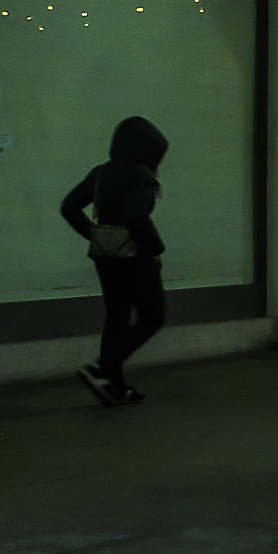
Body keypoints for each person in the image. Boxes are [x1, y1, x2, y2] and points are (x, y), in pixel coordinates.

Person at [59, 116, 169, 406]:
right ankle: (103, 366)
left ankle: (114, 387)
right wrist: (156, 247)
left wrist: (95, 235)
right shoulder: (143, 176)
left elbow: (69, 207)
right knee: (152, 318)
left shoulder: (101, 172)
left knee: (117, 315)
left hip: (104, 256)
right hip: (137, 258)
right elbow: (136, 217)